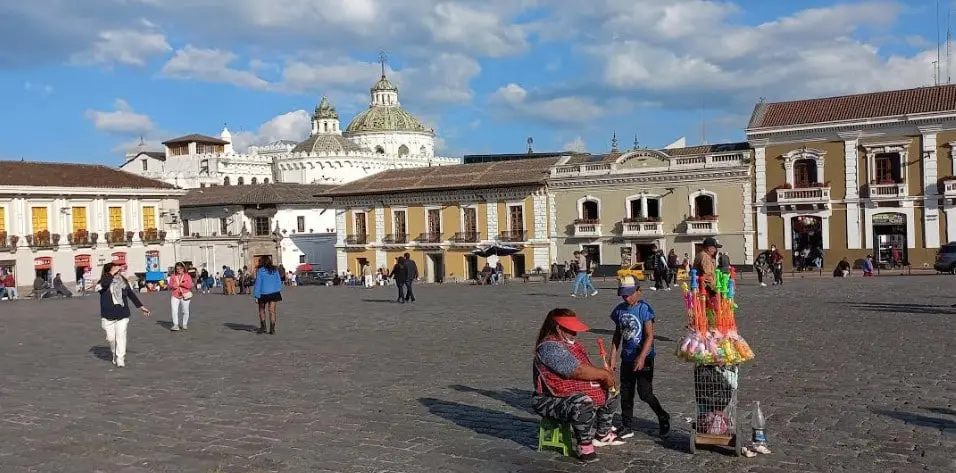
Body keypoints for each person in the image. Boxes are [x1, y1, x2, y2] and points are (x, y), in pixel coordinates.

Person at [532, 308, 623, 462]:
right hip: (548, 398)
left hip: (571, 391)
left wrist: (606, 378)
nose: (574, 333)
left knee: (612, 391)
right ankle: (584, 445)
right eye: (570, 330)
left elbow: (586, 369)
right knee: (583, 402)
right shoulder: (549, 347)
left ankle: (603, 432)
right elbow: (577, 370)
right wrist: (603, 374)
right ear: (558, 328)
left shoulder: (572, 345)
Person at [610, 276, 670, 439]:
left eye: (629, 294)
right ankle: (626, 425)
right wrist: (613, 357)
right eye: (623, 295)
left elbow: (650, 335)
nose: (626, 298)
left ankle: (662, 415)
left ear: (638, 292)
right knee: (626, 393)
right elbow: (617, 335)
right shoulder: (619, 311)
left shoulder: (644, 309)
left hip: (644, 358)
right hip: (627, 358)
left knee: (645, 393)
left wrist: (642, 356)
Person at [97, 263, 151, 367]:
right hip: (108, 315)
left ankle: (120, 358)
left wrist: (141, 306)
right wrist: (111, 273)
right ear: (108, 271)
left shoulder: (124, 281)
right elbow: (104, 284)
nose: (118, 272)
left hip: (122, 313)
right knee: (111, 338)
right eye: (115, 270)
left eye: (118, 271)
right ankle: (114, 353)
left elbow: (131, 294)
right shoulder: (102, 282)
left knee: (121, 336)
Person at [253, 255, 283, 334]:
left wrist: (256, 295)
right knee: (272, 310)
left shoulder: (260, 271)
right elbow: (279, 281)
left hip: (263, 293)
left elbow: (258, 283)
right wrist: (278, 289)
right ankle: (272, 329)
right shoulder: (275, 270)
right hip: (274, 293)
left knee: (262, 310)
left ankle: (263, 327)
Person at [168, 262, 194, 331]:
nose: (179, 270)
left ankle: (184, 324)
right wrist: (172, 286)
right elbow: (169, 286)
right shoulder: (173, 276)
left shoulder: (187, 276)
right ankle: (175, 324)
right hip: (175, 295)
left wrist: (183, 284)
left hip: (184, 295)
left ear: (183, 268)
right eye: (177, 269)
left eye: (180, 268)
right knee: (174, 310)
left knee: (185, 311)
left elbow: (190, 285)